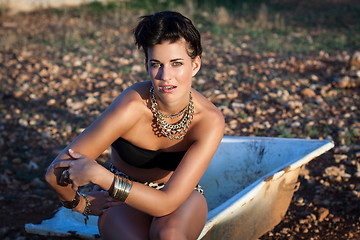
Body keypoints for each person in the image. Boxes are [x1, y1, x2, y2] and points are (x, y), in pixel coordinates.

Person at [45, 11, 224, 240]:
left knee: (170, 235)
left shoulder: (208, 120)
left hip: (177, 198)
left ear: (195, 65)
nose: (165, 76)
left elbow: (166, 203)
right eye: (156, 64)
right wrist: (80, 204)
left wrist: (99, 176)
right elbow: (55, 172)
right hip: (119, 198)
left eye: (176, 63)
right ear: (147, 65)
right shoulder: (132, 107)